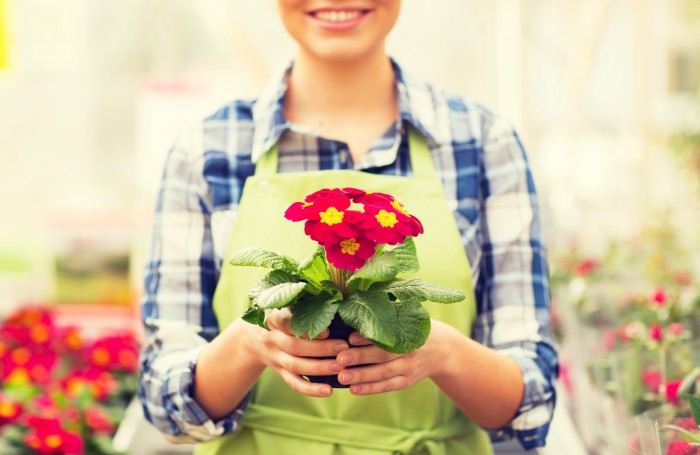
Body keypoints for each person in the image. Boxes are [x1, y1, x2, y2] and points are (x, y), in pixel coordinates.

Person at [139, 1, 559, 454]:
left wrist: (444, 352)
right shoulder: (206, 152)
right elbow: (166, 404)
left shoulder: (483, 145)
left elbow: (530, 405)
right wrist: (249, 341)